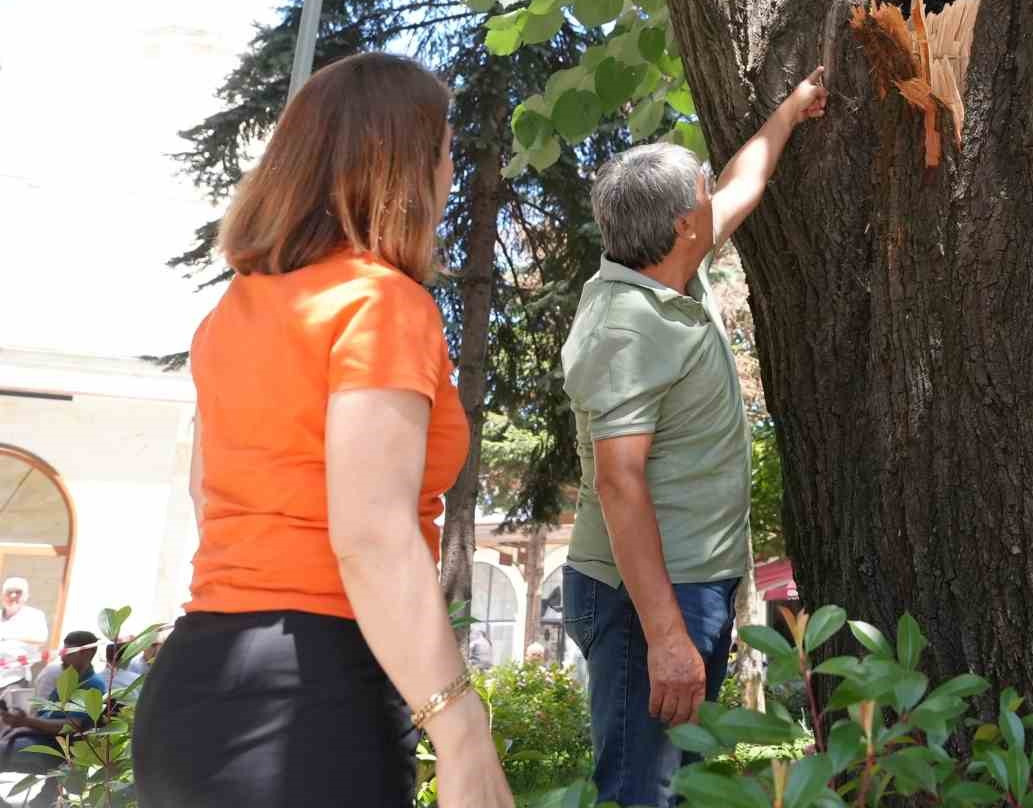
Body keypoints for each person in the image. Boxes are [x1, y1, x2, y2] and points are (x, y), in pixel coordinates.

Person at [131, 54, 512, 808]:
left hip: (194, 682)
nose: (448, 173)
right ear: (401, 166)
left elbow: (210, 498)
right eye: (443, 151)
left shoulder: (234, 311)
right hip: (311, 694)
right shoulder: (384, 305)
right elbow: (371, 536)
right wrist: (463, 733)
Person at [560, 67, 827, 808]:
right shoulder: (625, 326)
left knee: (674, 787)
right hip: (644, 596)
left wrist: (793, 111)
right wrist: (666, 636)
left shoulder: (673, 275)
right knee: (644, 794)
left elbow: (741, 184)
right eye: (699, 192)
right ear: (683, 223)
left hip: (683, 586)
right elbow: (619, 483)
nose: (713, 196)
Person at [0, 630, 102, 774]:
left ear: (87, 654)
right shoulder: (69, 679)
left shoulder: (92, 685)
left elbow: (72, 726)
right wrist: (20, 718)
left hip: (58, 747)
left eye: (69, 652)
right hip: (40, 736)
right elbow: (45, 715)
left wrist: (27, 722)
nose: (63, 656)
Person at [0, 579, 49, 672]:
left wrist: (7, 635)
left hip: (15, 677)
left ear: (26, 596)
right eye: (9, 592)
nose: (13, 596)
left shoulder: (34, 615)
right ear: (3, 596)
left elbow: (41, 638)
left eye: (18, 592)